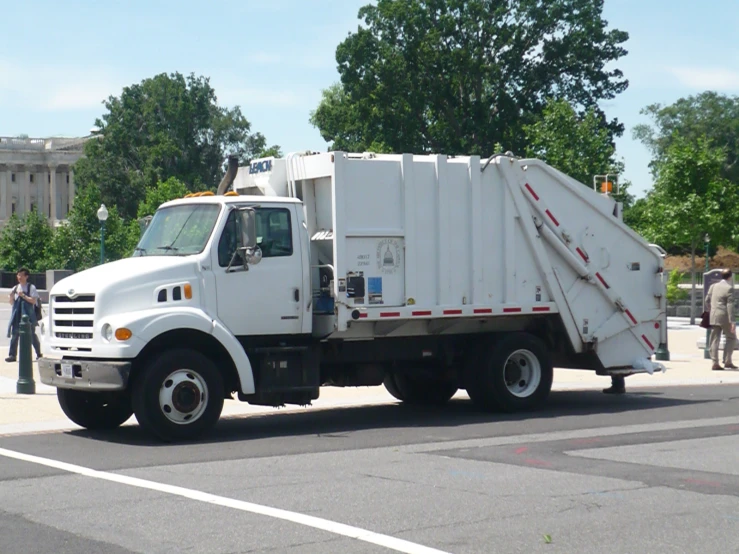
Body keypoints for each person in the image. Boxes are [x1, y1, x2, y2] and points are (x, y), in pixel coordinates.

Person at [704, 268, 737, 370]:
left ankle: (715, 362)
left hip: (714, 315)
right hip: (724, 316)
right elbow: (730, 306)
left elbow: (707, 300)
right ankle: (727, 361)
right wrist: (732, 321)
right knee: (731, 338)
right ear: (730, 277)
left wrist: (710, 308)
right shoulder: (729, 288)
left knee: (714, 340)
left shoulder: (713, 286)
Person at [5, 267, 41, 362]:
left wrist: (23, 296)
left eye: (21, 275)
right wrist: (11, 296)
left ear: (26, 276)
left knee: (31, 335)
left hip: (28, 316)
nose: (19, 277)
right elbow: (12, 303)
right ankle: (12, 355)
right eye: (18, 275)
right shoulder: (15, 287)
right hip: (17, 315)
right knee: (15, 335)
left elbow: (33, 301)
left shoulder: (31, 287)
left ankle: (39, 353)